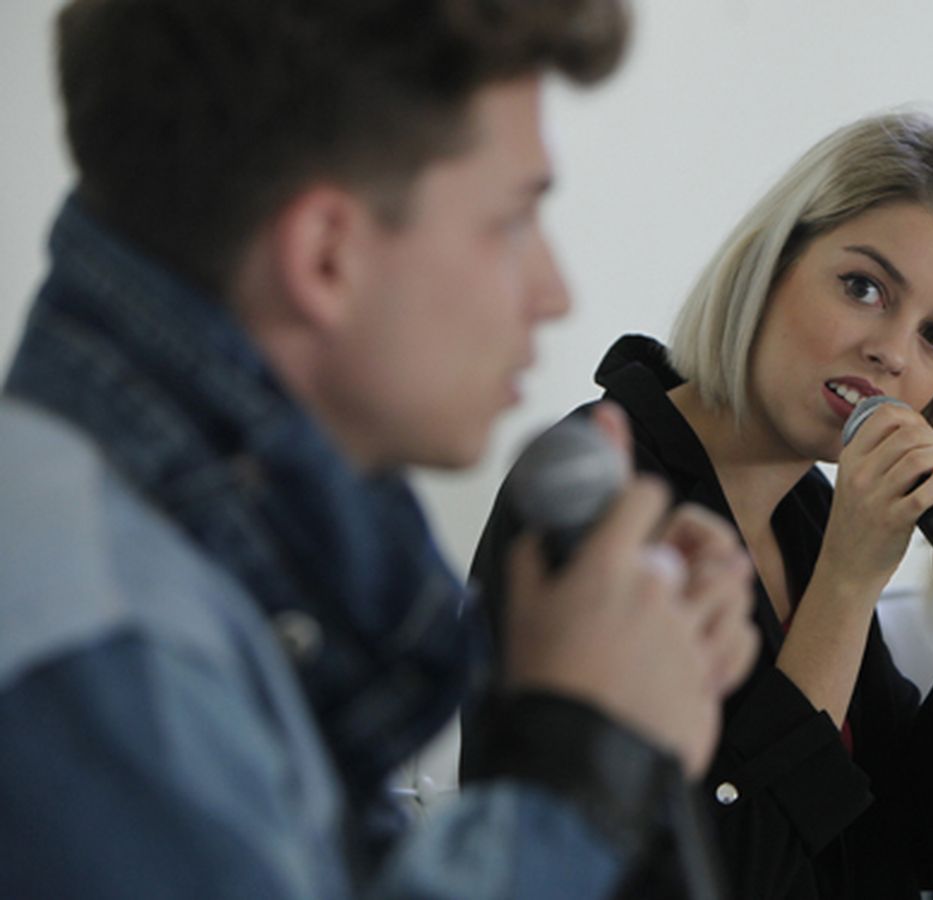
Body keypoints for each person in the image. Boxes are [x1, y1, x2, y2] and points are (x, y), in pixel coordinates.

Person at [0, 0, 758, 896]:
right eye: (514, 221)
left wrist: (564, 699)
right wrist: (576, 772)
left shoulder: (142, 549)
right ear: (326, 256)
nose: (554, 293)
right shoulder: (108, 653)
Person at [468, 110, 933, 899]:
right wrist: (845, 586)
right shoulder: (605, 492)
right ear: (771, 265)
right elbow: (727, 869)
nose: (894, 353)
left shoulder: (808, 512)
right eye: (863, 288)